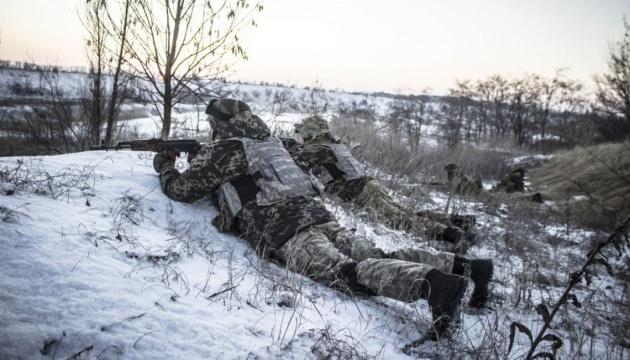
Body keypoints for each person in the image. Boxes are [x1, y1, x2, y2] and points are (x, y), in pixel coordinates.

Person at [153, 99, 492, 338]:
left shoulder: (226, 149)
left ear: (219, 125)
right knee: (377, 256)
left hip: (286, 228)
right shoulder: (271, 142)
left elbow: (183, 189)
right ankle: (466, 268)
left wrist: (165, 166)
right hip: (318, 215)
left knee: (345, 274)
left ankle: (435, 287)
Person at [285, 115, 477, 252]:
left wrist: (283, 145)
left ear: (311, 133)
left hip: (361, 193)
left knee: (403, 221)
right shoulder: (334, 144)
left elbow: (293, 159)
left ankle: (453, 235)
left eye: (301, 133)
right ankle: (458, 221)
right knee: (406, 214)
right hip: (369, 186)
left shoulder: (319, 147)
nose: (299, 136)